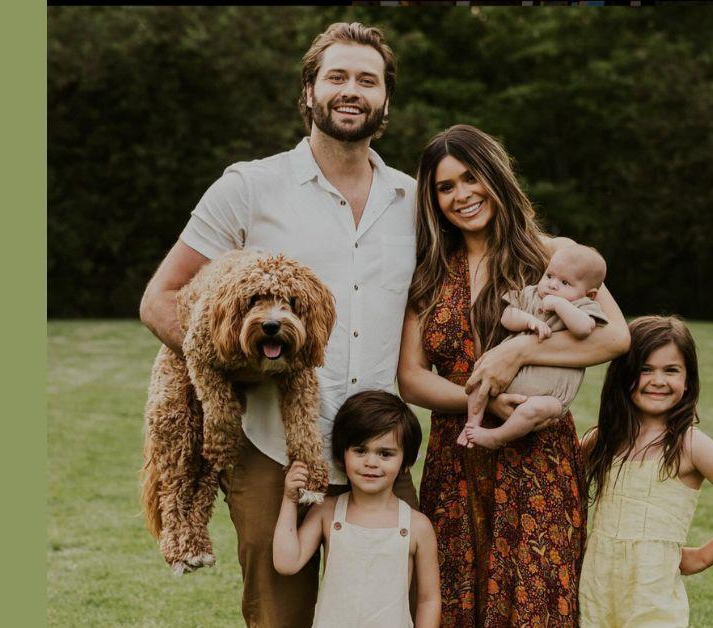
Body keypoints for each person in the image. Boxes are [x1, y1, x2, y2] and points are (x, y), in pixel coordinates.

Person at [138, 22, 420, 627]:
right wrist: (250, 367)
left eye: (367, 80)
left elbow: (502, 244)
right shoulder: (248, 187)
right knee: (279, 616)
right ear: (309, 91)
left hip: (378, 447)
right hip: (267, 445)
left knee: (385, 613)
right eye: (336, 77)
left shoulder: (414, 201)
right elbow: (160, 299)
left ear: (386, 100)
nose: (351, 90)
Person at [397, 124, 630, 626]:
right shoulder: (429, 272)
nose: (462, 194)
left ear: (495, 176)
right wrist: (476, 397)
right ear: (432, 199)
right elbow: (411, 379)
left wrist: (518, 351)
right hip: (458, 451)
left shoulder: (552, 255)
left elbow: (615, 338)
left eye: (470, 177)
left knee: (534, 603)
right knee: (456, 604)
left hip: (537, 459)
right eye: (445, 186)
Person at [578, 316, 713, 627]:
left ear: (688, 380)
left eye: (671, 370)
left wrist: (702, 557)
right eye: (645, 369)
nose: (658, 380)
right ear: (624, 374)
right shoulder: (601, 439)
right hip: (595, 589)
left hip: (652, 596)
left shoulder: (689, 445)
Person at [273, 391, 441, 628]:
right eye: (360, 450)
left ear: (405, 463)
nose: (371, 462)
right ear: (342, 456)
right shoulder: (327, 512)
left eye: (385, 454)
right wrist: (290, 499)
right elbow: (286, 563)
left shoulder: (417, 526)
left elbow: (428, 599)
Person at [460, 243, 610, 450]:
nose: (553, 285)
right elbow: (507, 317)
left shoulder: (582, 306)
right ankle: (472, 425)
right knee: (479, 375)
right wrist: (529, 321)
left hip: (549, 397)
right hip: (506, 378)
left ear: (590, 294)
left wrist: (560, 305)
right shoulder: (530, 294)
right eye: (549, 276)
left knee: (533, 410)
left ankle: (497, 437)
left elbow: (584, 328)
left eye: (565, 282)